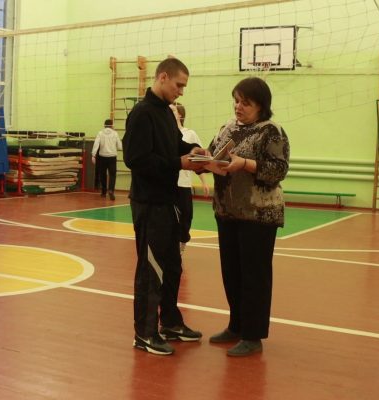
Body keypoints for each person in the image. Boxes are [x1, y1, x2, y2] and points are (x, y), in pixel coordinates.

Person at [122, 57, 208, 356]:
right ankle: (144, 334)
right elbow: (136, 159)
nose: (181, 91)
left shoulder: (166, 112)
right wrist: (178, 162)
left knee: (172, 266)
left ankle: (170, 322)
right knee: (152, 270)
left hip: (168, 201)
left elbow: (173, 146)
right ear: (162, 78)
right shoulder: (141, 113)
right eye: (178, 85)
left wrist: (193, 152)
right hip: (149, 204)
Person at [206, 77, 289, 356]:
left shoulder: (271, 131)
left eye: (246, 103)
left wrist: (244, 164)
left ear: (261, 106)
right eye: (236, 101)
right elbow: (212, 154)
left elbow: (278, 170)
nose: (238, 107)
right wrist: (202, 158)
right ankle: (236, 326)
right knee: (231, 273)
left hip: (258, 215)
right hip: (227, 211)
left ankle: (253, 336)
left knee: (254, 276)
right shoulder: (227, 128)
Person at [170, 103, 209, 254]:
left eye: (173, 110)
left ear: (180, 114)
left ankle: (183, 240)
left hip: (184, 184)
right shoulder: (165, 132)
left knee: (186, 216)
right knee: (170, 218)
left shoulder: (190, 134)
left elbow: (199, 159)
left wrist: (204, 182)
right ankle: (173, 246)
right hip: (169, 183)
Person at [91, 119, 122, 200]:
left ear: (104, 125)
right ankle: (111, 190)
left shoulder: (100, 133)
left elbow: (96, 144)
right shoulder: (115, 133)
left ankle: (103, 192)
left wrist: (93, 155)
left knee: (103, 175)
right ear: (112, 125)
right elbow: (120, 146)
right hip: (112, 157)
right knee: (112, 175)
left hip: (102, 157)